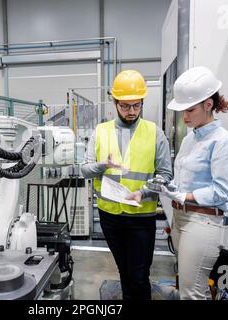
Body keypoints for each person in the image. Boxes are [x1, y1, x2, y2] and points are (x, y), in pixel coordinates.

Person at [130, 66, 228, 299]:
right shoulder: (191, 139)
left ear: (208, 105)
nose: (185, 117)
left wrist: (185, 197)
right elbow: (182, 180)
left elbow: (222, 192)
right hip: (182, 219)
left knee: (192, 294)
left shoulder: (223, 143)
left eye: (190, 110)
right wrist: (170, 191)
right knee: (188, 288)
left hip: (202, 221)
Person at [81, 70, 172, 300]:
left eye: (136, 105)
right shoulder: (100, 131)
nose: (131, 111)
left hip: (141, 218)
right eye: (125, 106)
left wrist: (144, 192)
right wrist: (104, 164)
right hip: (110, 217)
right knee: (124, 271)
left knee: (139, 275)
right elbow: (85, 169)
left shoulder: (155, 133)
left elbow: (165, 175)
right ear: (115, 103)